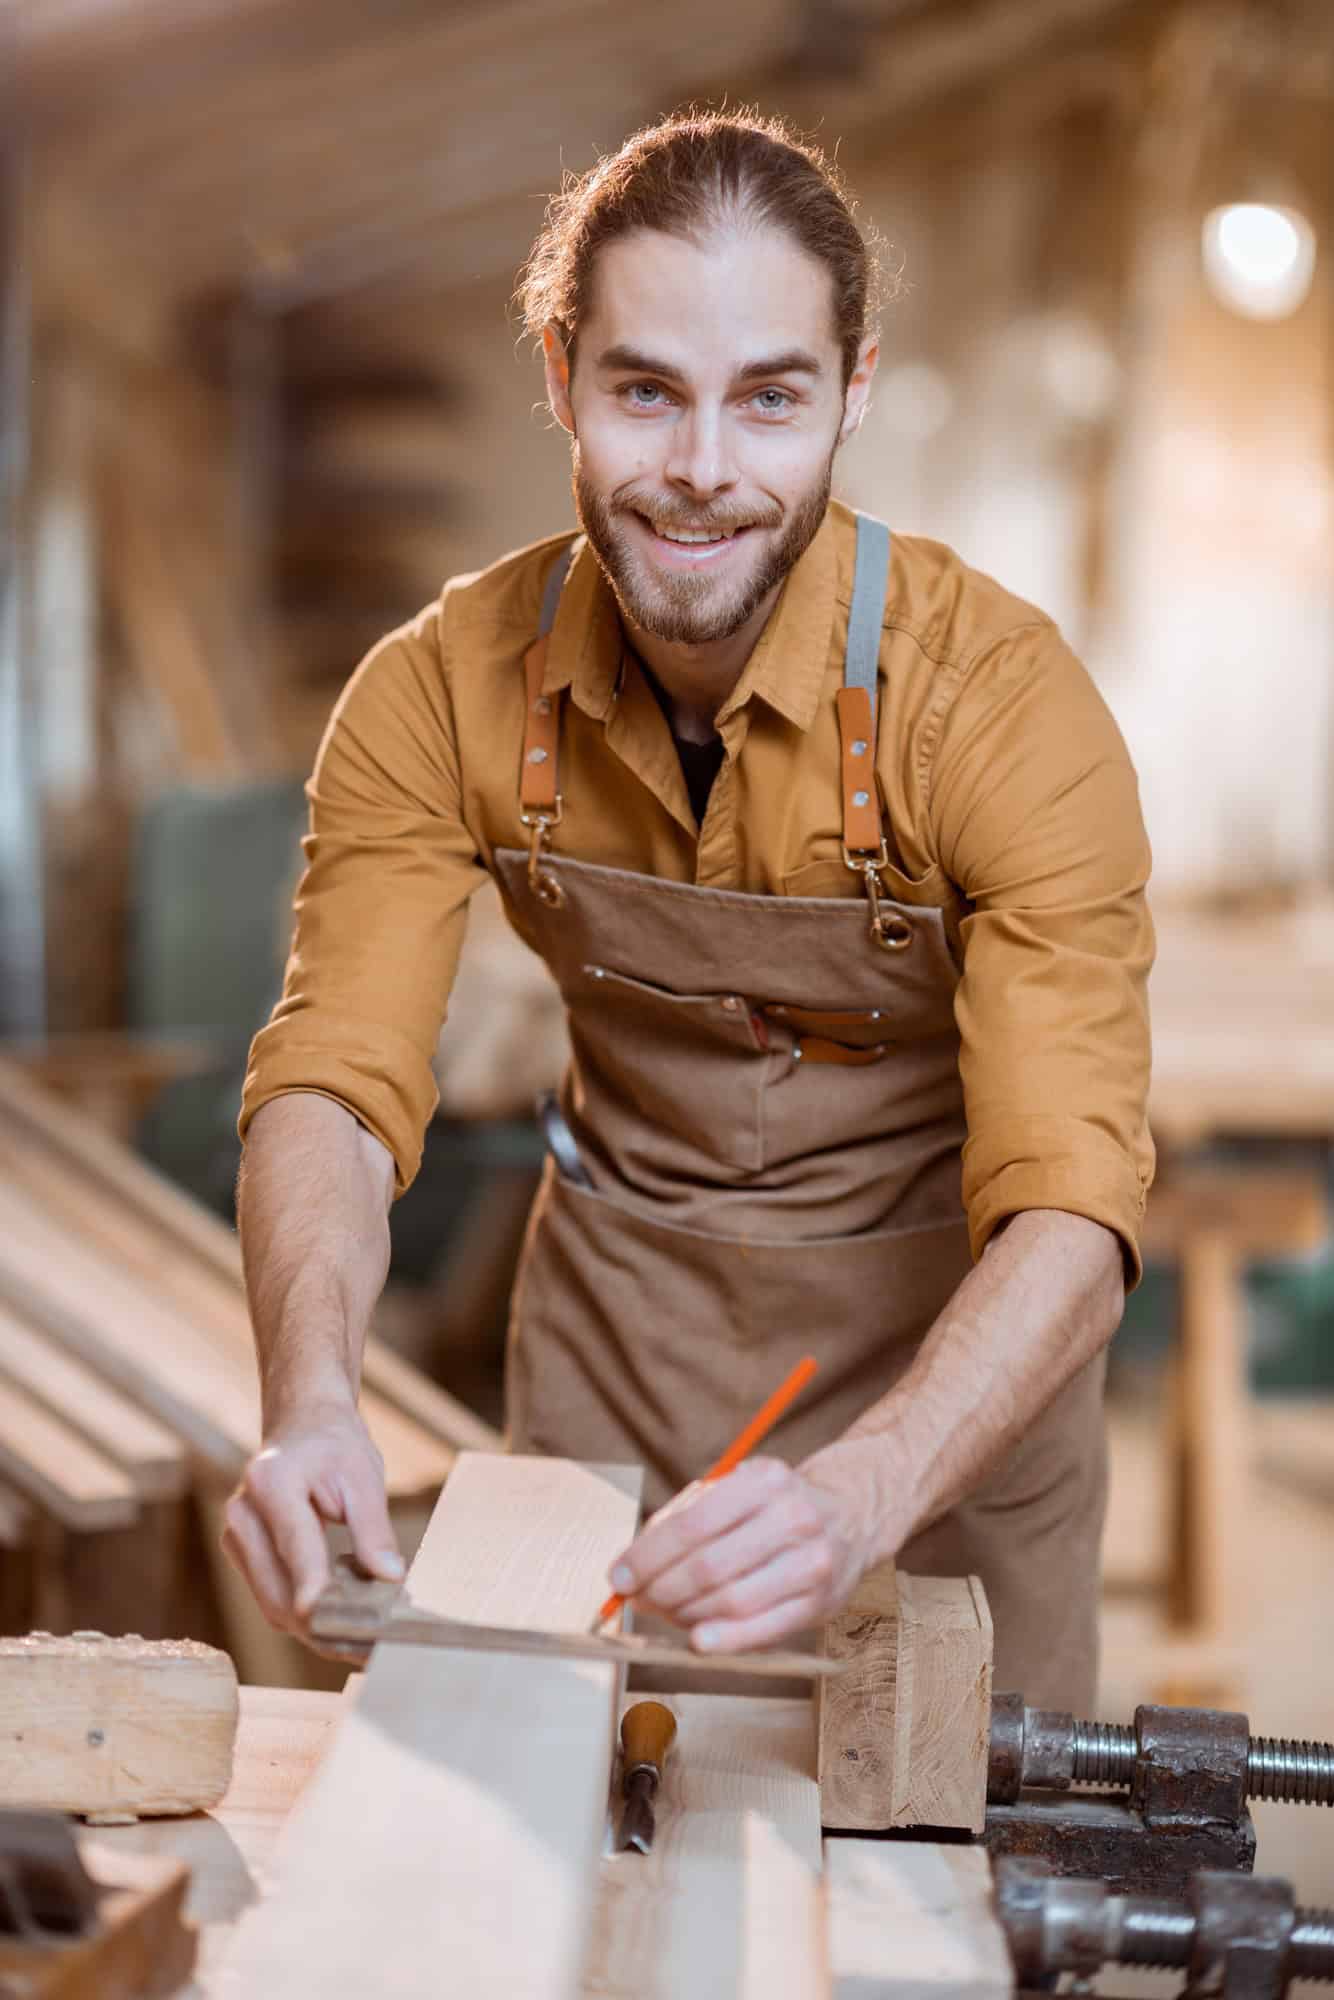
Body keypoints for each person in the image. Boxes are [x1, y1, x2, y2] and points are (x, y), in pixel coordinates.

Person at [224, 109, 1152, 1709]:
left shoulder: (999, 707)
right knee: (579, 1856)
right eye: (644, 390)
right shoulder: (435, 689)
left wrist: (866, 1489)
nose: (704, 472)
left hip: (941, 1405)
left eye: (770, 398)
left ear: (851, 393)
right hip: (611, 1371)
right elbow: (336, 1078)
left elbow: (1074, 1195)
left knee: (931, 1908)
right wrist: (312, 1404)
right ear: (558, 376)